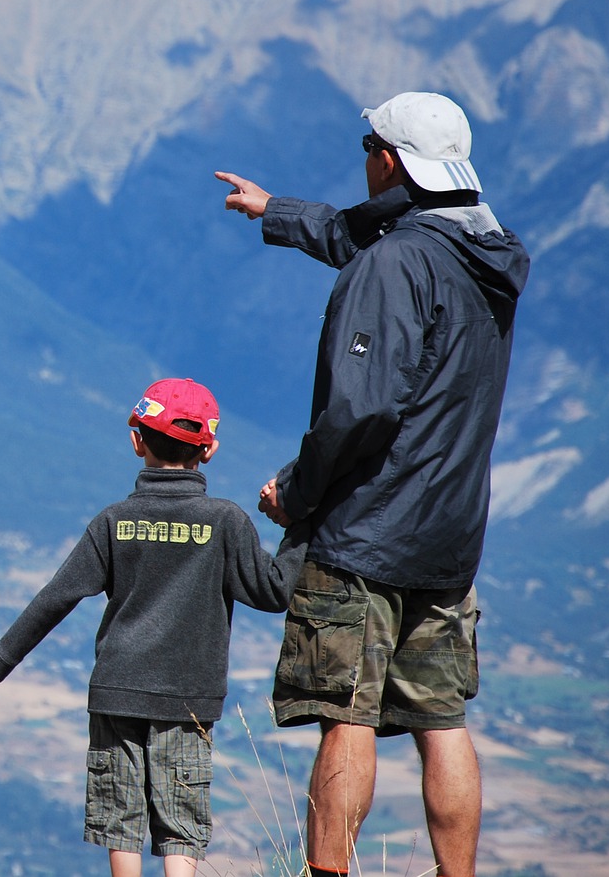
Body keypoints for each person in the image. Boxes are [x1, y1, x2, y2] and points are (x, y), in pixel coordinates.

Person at [215, 91, 530, 877]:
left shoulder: (393, 263)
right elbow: (380, 229)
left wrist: (297, 490)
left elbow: (359, 408)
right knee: (442, 719)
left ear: (388, 159)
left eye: (369, 145)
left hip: (367, 529)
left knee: (344, 713)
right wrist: (275, 211)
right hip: (451, 535)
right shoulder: (486, 255)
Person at [0, 378, 306, 877]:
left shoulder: (114, 521)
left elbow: (56, 596)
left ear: (137, 441)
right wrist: (301, 524)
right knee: (181, 827)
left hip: (116, 692)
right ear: (208, 449)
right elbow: (275, 591)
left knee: (119, 823)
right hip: (186, 698)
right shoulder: (226, 523)